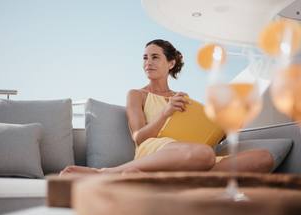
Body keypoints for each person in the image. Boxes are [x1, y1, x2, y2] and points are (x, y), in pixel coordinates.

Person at [60, 39, 274, 176]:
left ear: (170, 63)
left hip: (189, 153)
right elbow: (139, 137)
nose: (148, 63)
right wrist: (166, 113)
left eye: (155, 57)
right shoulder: (137, 94)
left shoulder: (184, 98)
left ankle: (174, 179)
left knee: (263, 158)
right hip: (156, 150)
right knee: (205, 155)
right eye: (145, 58)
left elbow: (205, 136)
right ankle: (107, 172)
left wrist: (225, 129)